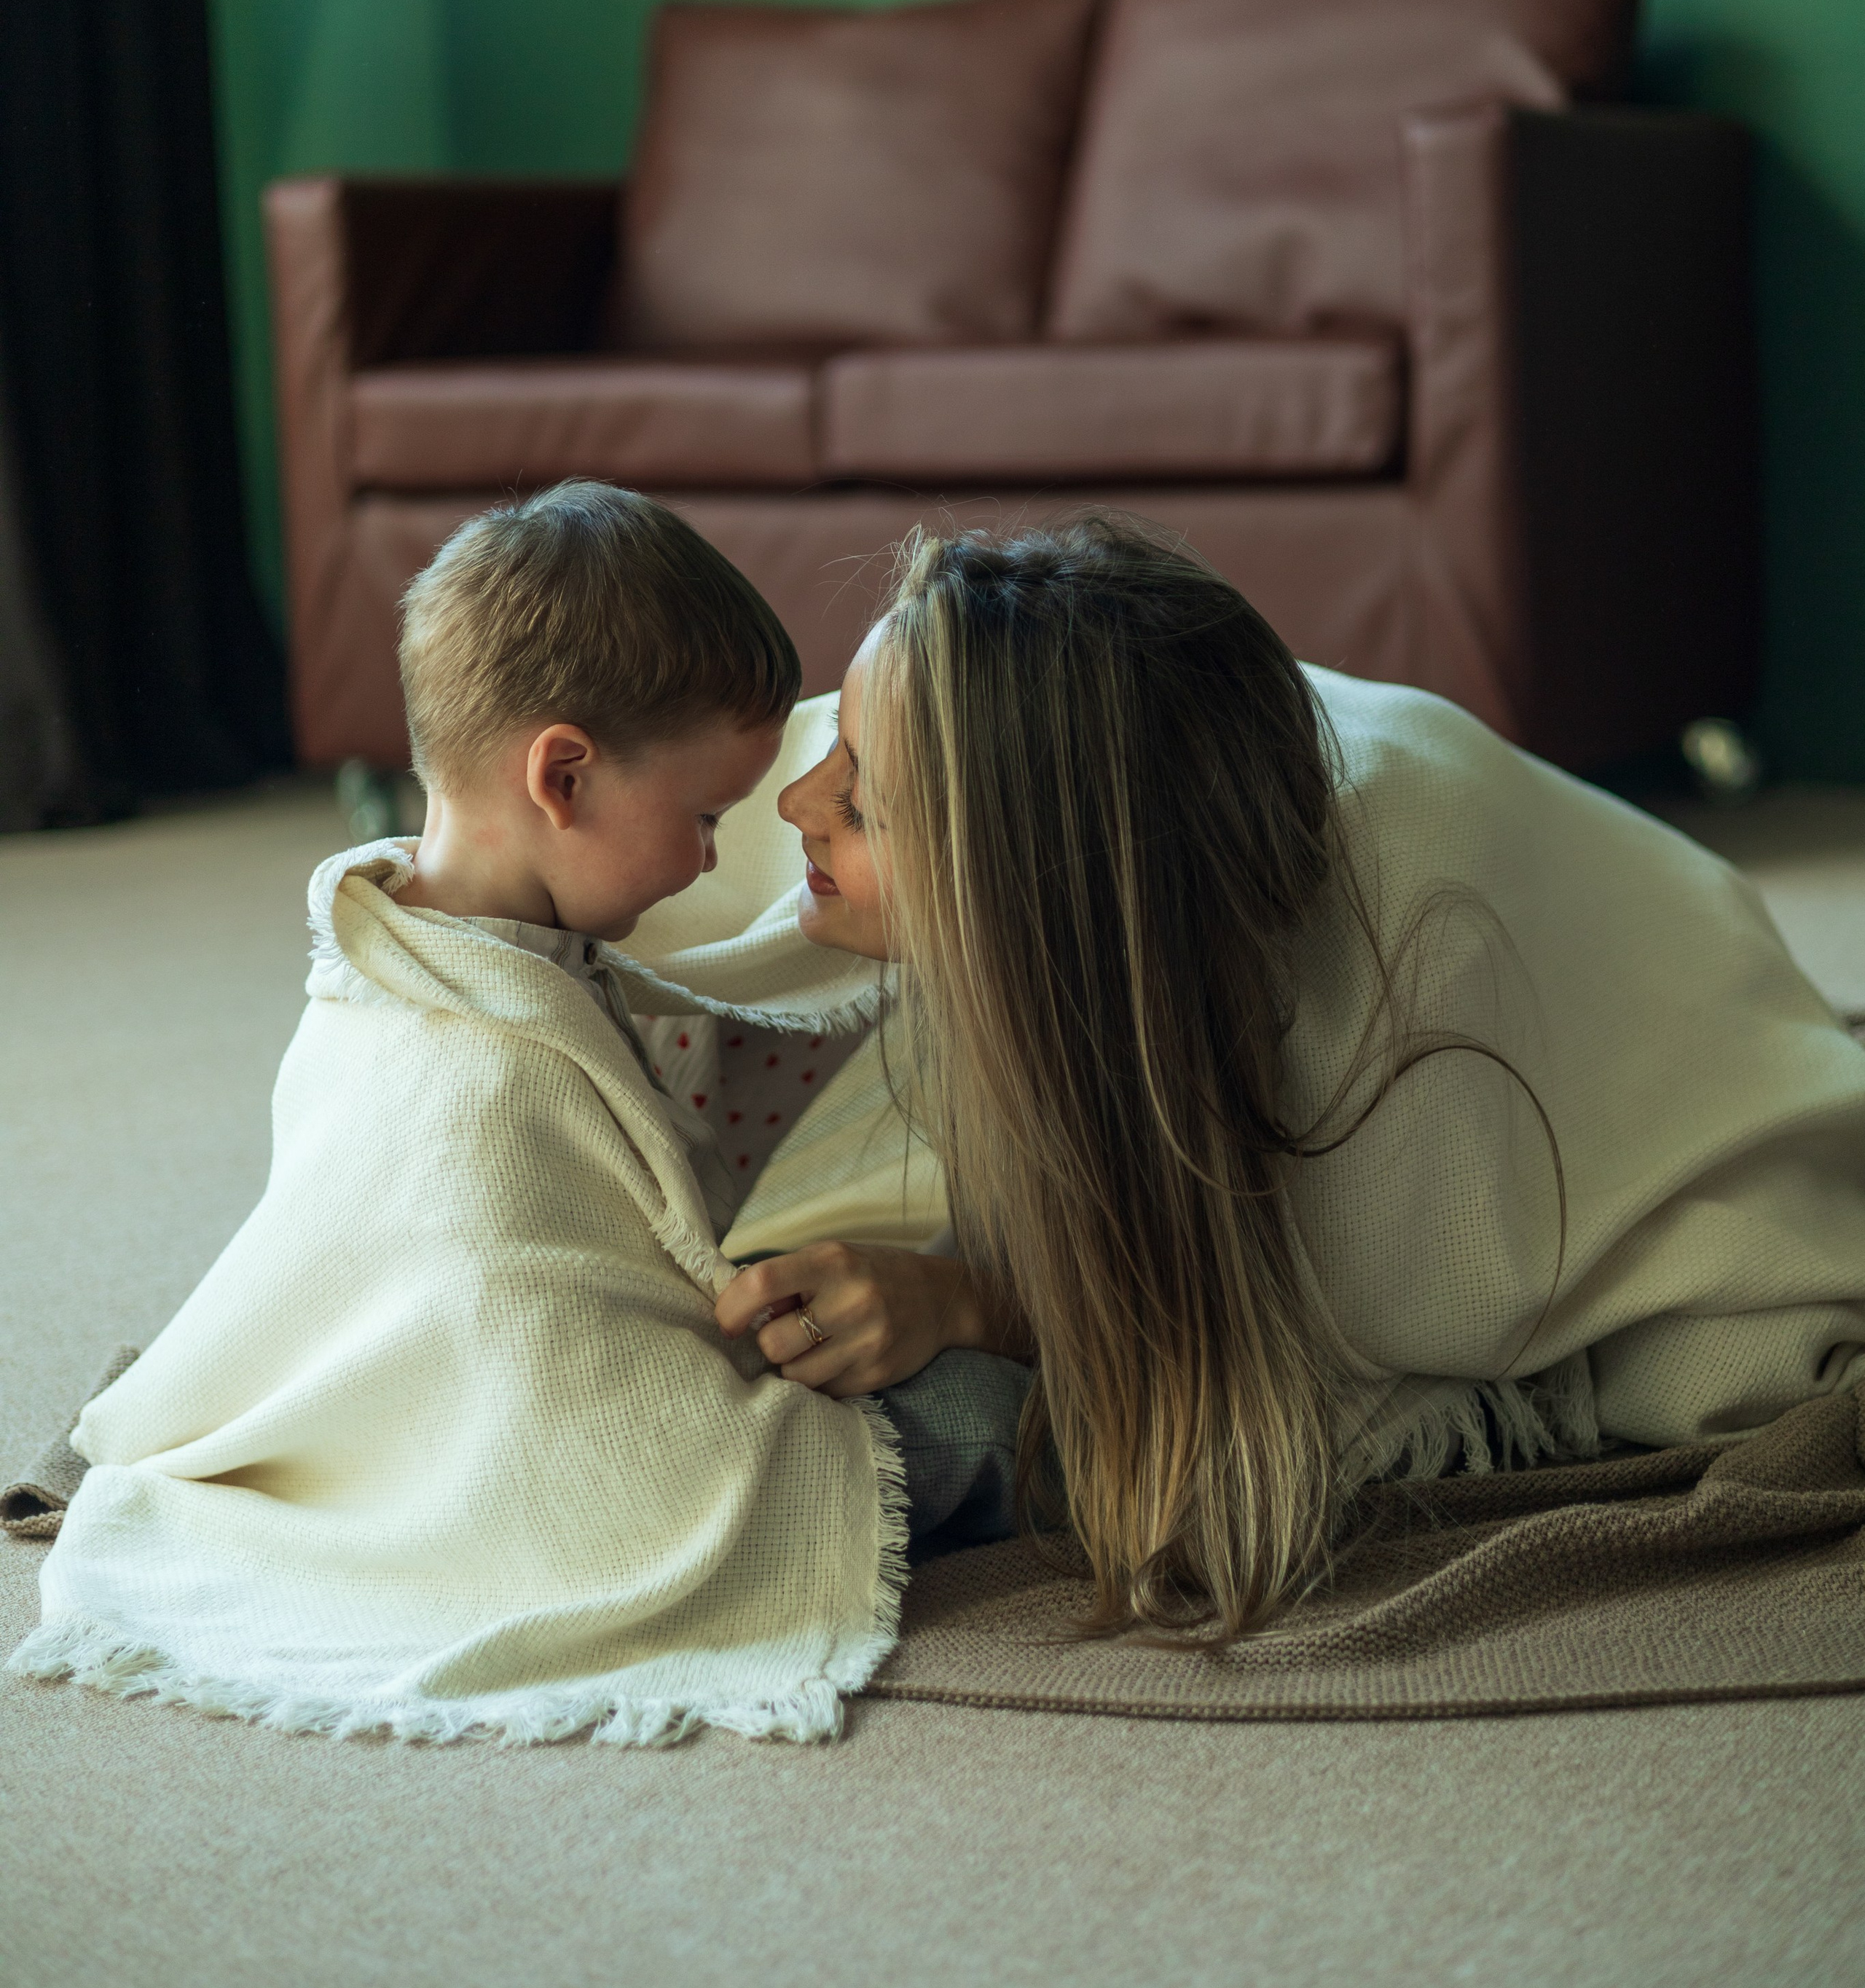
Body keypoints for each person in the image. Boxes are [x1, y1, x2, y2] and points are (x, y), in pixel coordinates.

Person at [694, 514, 1865, 1642]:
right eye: (835, 745)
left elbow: (1229, 1361)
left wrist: (966, 1304)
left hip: (1699, 1106)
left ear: (1034, 900)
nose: (798, 805)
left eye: (864, 802)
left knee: (1022, 1444)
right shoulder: (1097, 759)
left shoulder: (1380, 1050)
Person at [9, 484, 910, 1745]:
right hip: (509, 1422)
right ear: (563, 776)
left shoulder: (426, 945)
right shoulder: (466, 1064)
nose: (715, 861)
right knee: (955, 1427)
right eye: (705, 819)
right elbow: (510, 1308)